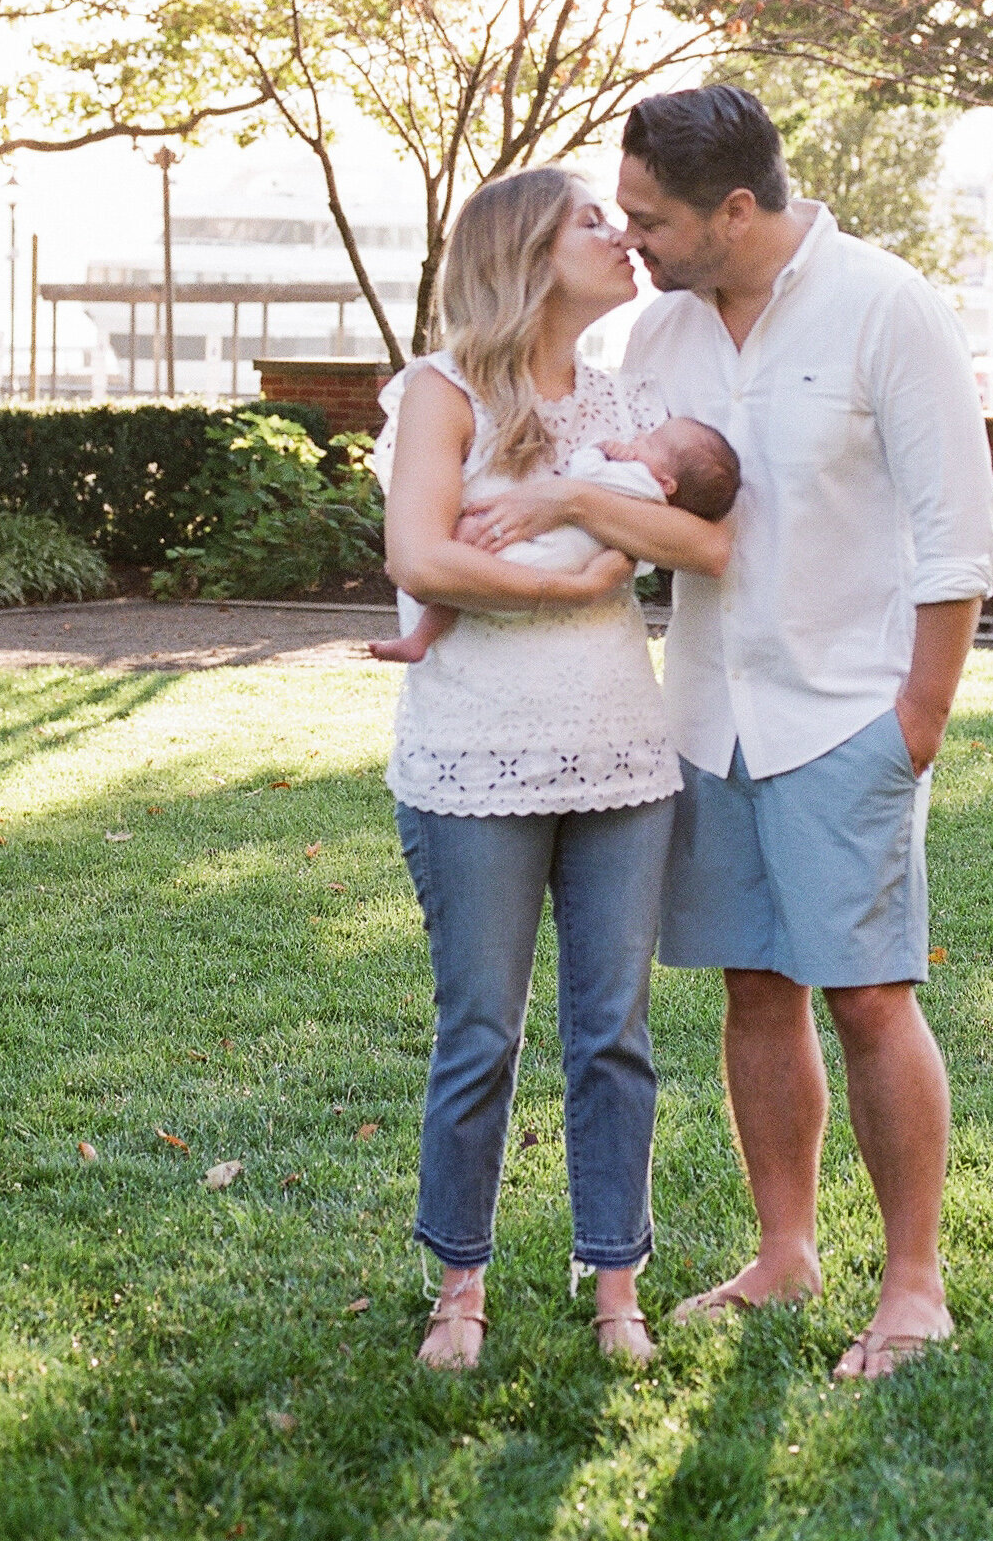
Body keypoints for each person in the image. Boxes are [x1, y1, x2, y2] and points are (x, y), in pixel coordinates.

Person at [459, 86, 993, 1379]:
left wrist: (916, 716)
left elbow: (958, 532)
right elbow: (652, 510)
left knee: (869, 995)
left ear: (737, 209)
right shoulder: (660, 337)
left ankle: (913, 1285)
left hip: (845, 715)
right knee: (757, 992)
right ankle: (785, 1251)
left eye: (650, 218)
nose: (629, 236)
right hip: (706, 716)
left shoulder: (886, 304)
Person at [375, 168, 736, 1370]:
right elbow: (423, 558)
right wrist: (581, 578)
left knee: (613, 1032)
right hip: (471, 754)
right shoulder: (440, 392)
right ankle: (458, 1288)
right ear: (528, 252)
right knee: (480, 1029)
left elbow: (710, 538)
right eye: (594, 221)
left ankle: (615, 1282)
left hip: (622, 758)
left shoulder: (625, 398)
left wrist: (570, 507)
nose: (623, 235)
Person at [371, 416, 740, 661]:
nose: (639, 437)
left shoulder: (636, 481)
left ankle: (421, 618)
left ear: (666, 483)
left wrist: (600, 448)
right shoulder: (659, 509)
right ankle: (421, 619)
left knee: (469, 540)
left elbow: (581, 475)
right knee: (468, 563)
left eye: (652, 442)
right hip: (565, 564)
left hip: (544, 556)